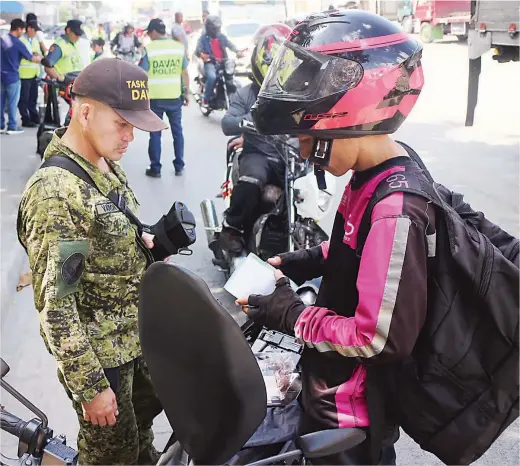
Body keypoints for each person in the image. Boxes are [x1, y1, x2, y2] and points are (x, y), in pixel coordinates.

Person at [238, 10, 427, 465]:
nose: (304, 150)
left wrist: (295, 316)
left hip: (352, 421)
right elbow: (354, 246)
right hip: (328, 391)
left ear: (350, 115)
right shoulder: (368, 175)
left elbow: (378, 338)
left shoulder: (394, 210)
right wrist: (311, 259)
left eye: (306, 136)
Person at [17, 58, 168, 465]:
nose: (130, 136)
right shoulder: (56, 194)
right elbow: (57, 306)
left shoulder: (101, 165)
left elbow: (106, 235)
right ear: (85, 112)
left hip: (133, 345)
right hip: (104, 364)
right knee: (112, 458)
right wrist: (92, 387)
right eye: (122, 123)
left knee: (140, 444)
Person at [220, 26, 291, 253]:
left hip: (289, 156)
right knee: (252, 179)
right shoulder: (246, 93)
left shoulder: (296, 93)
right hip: (257, 154)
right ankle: (231, 227)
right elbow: (227, 122)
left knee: (303, 190)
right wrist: (244, 123)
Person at [139, 18, 189, 178]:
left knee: (155, 133)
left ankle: (155, 168)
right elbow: (185, 72)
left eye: (149, 32)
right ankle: (179, 166)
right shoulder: (178, 47)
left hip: (155, 98)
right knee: (177, 132)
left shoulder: (149, 49)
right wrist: (186, 93)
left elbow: (142, 73)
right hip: (174, 97)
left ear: (153, 32)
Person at [1, 19, 42, 134]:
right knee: (13, 103)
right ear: (19, 29)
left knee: (1, 102)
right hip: (12, 76)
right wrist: (42, 61)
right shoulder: (18, 42)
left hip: (1, 76)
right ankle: (12, 126)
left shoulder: (3, 39)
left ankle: (0, 124)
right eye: (22, 30)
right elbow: (31, 58)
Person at [195, 15, 244, 108]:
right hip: (210, 63)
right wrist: (203, 55)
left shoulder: (222, 37)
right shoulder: (203, 39)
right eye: (214, 28)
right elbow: (199, 50)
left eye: (218, 28)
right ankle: (205, 99)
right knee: (212, 77)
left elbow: (230, 45)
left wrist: (238, 51)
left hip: (223, 62)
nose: (217, 30)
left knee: (231, 78)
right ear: (209, 28)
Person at [18, 20, 43, 128]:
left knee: (33, 98)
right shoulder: (21, 40)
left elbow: (38, 53)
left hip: (34, 74)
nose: (36, 32)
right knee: (24, 98)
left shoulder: (35, 40)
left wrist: (37, 55)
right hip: (24, 74)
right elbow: (24, 55)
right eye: (35, 30)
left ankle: (34, 116)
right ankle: (25, 119)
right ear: (29, 28)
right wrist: (33, 56)